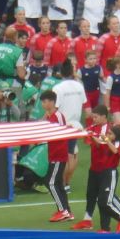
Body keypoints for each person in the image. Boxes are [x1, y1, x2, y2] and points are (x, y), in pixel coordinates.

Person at [75, 108, 120, 232]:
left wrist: (99, 138)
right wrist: (87, 134)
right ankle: (103, 227)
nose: (93, 120)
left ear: (104, 116)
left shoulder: (113, 137)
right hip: (95, 168)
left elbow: (112, 149)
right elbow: (97, 144)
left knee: (105, 200)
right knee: (95, 196)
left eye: (96, 117)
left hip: (107, 171)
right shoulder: (95, 128)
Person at [39, 89, 78, 222]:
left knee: (50, 183)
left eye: (44, 102)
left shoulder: (58, 116)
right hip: (54, 154)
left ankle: (63, 211)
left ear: (51, 102)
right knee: (57, 184)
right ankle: (67, 211)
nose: (43, 104)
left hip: (58, 155)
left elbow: (61, 134)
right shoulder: (51, 116)